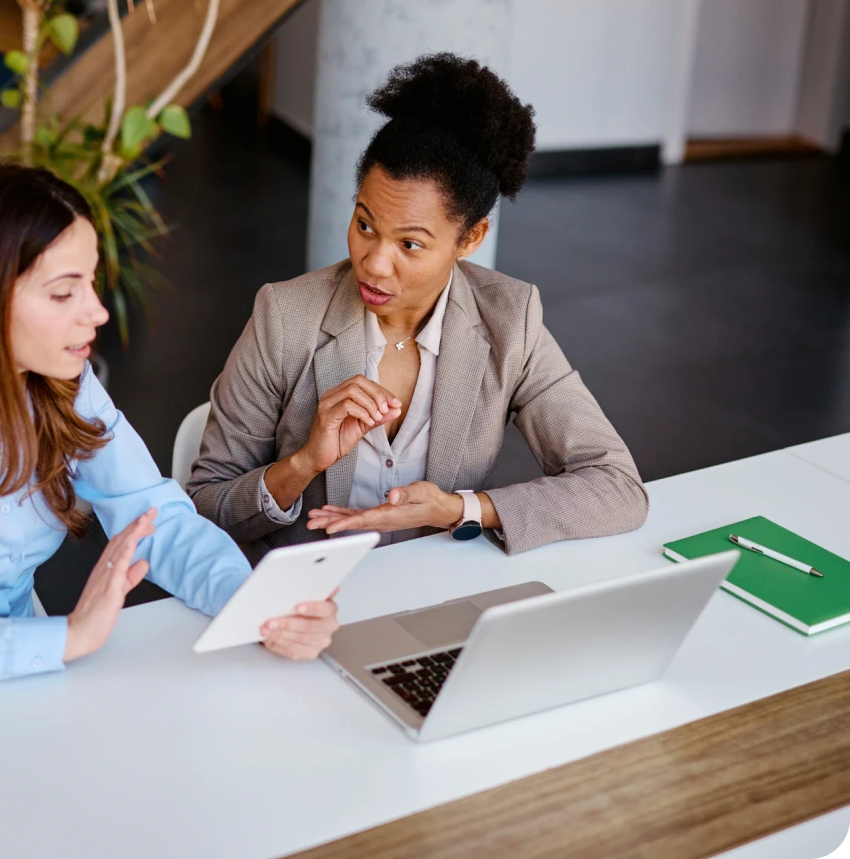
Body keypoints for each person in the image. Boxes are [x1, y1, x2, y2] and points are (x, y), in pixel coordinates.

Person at [0, 163, 337, 691]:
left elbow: (156, 519)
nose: (97, 312)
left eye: (91, 282)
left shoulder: (62, 382)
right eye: (62, 293)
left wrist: (256, 605)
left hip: (30, 681)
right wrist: (67, 637)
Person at [189, 53, 648, 560]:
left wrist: (459, 509)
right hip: (302, 590)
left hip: (434, 588)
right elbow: (204, 506)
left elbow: (616, 487)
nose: (373, 263)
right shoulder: (285, 317)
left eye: (409, 244)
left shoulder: (509, 320)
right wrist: (303, 464)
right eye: (365, 225)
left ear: (470, 238)